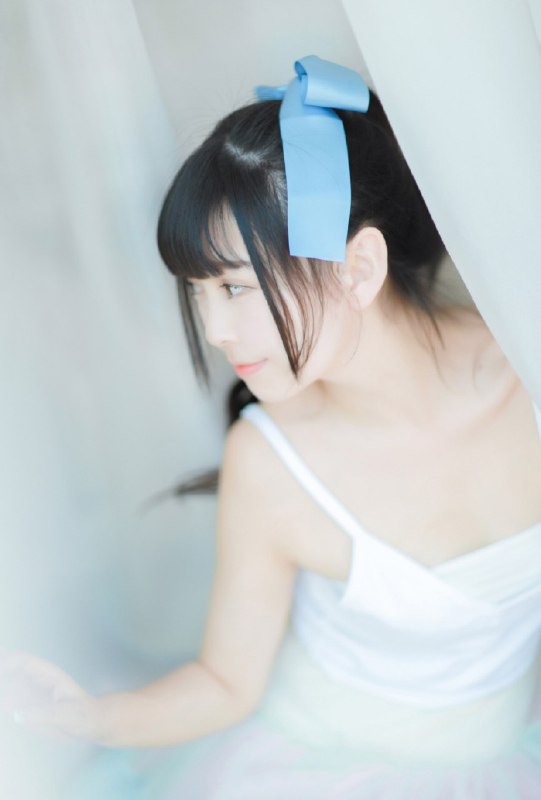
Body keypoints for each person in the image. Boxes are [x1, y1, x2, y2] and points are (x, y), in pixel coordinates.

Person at [2, 55, 541, 798]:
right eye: (198, 293)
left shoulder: (526, 370)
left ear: (358, 268)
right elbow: (227, 680)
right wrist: (89, 717)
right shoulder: (270, 459)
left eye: (233, 286)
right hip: (314, 765)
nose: (215, 330)